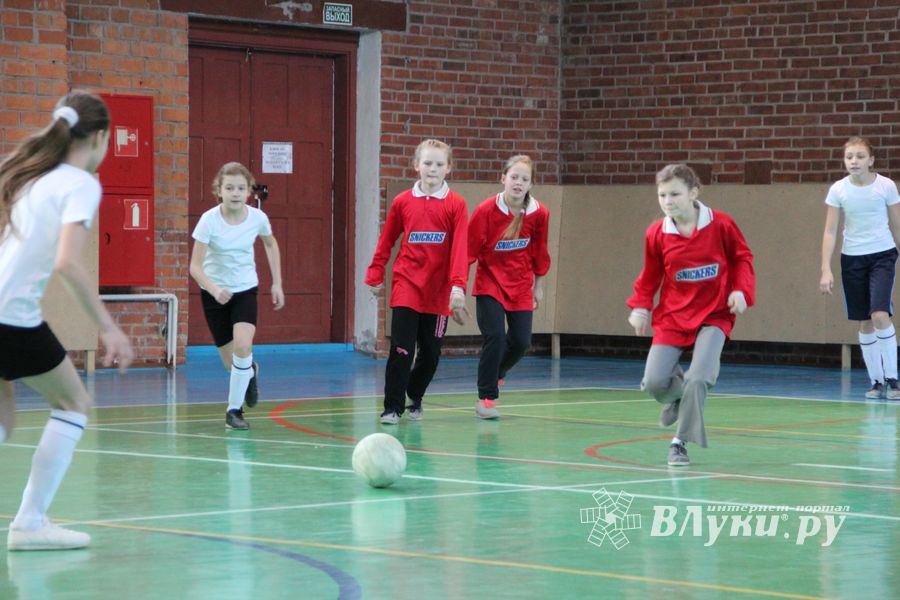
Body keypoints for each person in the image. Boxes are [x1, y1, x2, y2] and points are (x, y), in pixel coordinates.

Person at [0, 91, 134, 550]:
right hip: (10, 316)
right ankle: (30, 523)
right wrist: (110, 327)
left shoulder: (33, 177)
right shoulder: (79, 183)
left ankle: (31, 523)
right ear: (99, 137)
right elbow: (67, 263)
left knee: (4, 415)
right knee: (73, 404)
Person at [627, 164, 755, 466]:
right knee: (655, 383)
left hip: (715, 314)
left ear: (693, 193)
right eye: (662, 195)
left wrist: (741, 291)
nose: (667, 201)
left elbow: (742, 259)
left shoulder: (721, 225)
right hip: (673, 316)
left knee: (698, 378)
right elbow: (650, 274)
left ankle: (678, 443)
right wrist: (641, 306)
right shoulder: (657, 233)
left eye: (675, 194)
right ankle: (679, 398)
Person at [365, 139, 469, 424]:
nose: (432, 169)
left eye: (438, 164)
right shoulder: (402, 202)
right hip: (406, 285)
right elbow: (387, 240)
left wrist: (458, 285)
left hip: (438, 292)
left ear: (448, 168)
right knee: (401, 349)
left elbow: (460, 248)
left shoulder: (456, 205)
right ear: (416, 166)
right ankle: (392, 407)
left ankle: (415, 393)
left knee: (431, 353)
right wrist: (375, 274)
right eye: (427, 163)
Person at [190, 162, 284, 430]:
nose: (235, 193)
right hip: (214, 294)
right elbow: (194, 267)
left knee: (243, 345)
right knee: (232, 363)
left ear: (248, 191)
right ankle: (250, 371)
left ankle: (234, 412)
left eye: (241, 188)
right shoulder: (209, 221)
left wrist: (277, 283)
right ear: (218, 191)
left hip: (245, 290)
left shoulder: (257, 218)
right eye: (229, 187)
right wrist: (214, 288)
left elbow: (270, 242)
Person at [467, 155, 550, 419]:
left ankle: (498, 371)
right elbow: (467, 252)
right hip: (490, 283)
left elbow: (540, 252)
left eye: (524, 179)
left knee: (521, 342)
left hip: (521, 285)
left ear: (531, 184)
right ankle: (486, 397)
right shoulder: (485, 211)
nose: (518, 183)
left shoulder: (539, 213)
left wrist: (538, 285)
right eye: (514, 177)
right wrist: (455, 287)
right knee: (495, 337)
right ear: (503, 178)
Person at [820, 137, 900, 400]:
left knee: (879, 314)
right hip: (852, 259)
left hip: (882, 256)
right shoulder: (838, 190)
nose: (854, 161)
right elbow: (830, 231)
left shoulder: (886, 186)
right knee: (864, 321)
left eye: (860, 156)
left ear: (871, 160)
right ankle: (876, 381)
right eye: (849, 157)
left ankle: (893, 378)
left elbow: (896, 225)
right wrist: (826, 269)